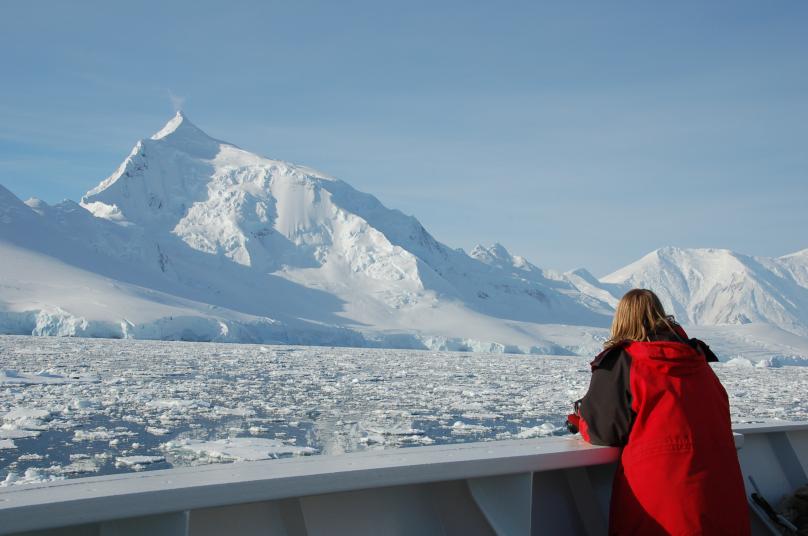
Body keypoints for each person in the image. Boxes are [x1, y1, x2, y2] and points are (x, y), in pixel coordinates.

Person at [566, 289, 749, 535]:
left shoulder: (622, 361)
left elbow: (606, 430)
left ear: (621, 319)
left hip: (661, 500)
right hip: (720, 492)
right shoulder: (697, 359)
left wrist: (581, 421)